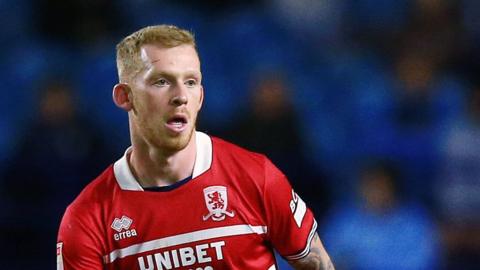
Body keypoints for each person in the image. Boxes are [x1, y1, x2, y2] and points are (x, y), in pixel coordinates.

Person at [56, 25, 334, 270]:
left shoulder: (256, 177)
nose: (180, 96)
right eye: (161, 81)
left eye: (191, 82)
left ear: (200, 96)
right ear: (125, 96)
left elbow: (316, 262)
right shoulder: (88, 218)